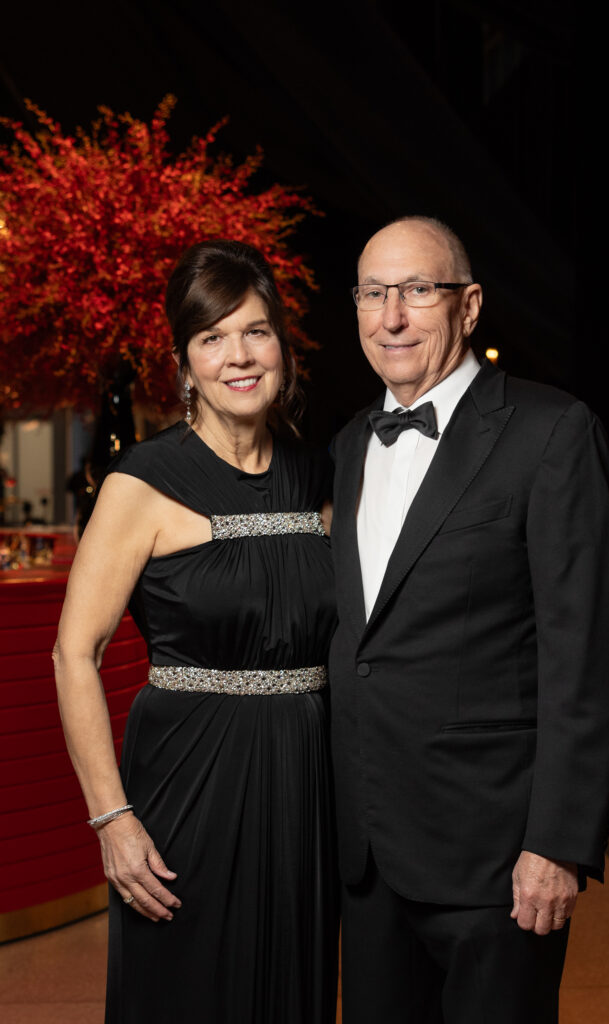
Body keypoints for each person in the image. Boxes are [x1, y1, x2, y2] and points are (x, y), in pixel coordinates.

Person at [328, 216, 609, 1023]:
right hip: (369, 854)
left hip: (495, 857)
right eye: (372, 293)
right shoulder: (350, 444)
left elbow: (585, 659)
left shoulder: (550, 432)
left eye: (417, 291)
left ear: (468, 306)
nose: (391, 316)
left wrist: (557, 845)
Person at [53, 240, 338, 1023]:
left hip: (303, 784)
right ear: (183, 363)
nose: (237, 357)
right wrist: (112, 819)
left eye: (255, 331)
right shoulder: (141, 482)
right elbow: (74, 653)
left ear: (282, 342)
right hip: (187, 784)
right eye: (212, 338)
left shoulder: (322, 474)